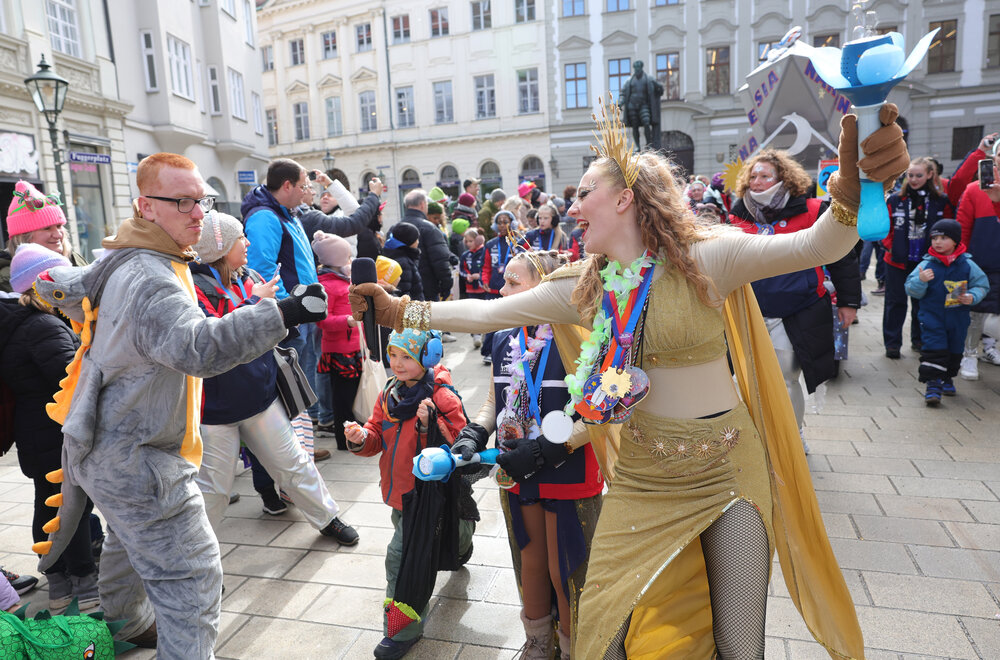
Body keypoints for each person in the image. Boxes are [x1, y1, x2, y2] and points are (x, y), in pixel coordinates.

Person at [350, 101, 909, 659]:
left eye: (584, 191)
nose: (573, 206)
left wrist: (853, 192)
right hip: (644, 478)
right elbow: (487, 313)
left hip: (727, 469)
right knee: (602, 634)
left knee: (739, 646)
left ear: (623, 199)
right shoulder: (584, 287)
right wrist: (399, 311)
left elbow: (819, 245)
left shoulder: (707, 256)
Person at [32, 152, 331, 657]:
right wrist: (282, 312)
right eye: (182, 202)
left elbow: (69, 286)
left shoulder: (128, 251)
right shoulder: (150, 276)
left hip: (107, 448)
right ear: (146, 206)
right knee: (192, 579)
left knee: (127, 543)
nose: (198, 213)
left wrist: (38, 286)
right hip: (139, 457)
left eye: (202, 200)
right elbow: (198, 348)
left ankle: (126, 623)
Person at [450, 249, 604, 660]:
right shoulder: (504, 335)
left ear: (546, 287)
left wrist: (551, 447)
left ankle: (573, 647)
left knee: (566, 565)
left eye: (513, 282)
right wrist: (473, 434)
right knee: (529, 559)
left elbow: (601, 410)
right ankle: (537, 643)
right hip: (518, 467)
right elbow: (493, 400)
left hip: (569, 466)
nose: (502, 291)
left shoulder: (582, 333)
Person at [190, 212, 358, 543]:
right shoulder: (193, 289)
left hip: (261, 396)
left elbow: (272, 327)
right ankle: (196, 557)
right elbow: (212, 338)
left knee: (295, 465)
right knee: (214, 491)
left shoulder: (249, 276)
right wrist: (259, 302)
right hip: (214, 410)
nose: (247, 242)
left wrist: (296, 307)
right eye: (240, 238)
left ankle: (328, 518)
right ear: (219, 248)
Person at [345, 328, 472, 660]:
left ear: (428, 357)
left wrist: (431, 424)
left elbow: (462, 444)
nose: (397, 363)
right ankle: (460, 542)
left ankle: (402, 631)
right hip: (400, 494)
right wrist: (360, 437)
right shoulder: (389, 393)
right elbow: (376, 434)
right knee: (432, 540)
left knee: (400, 558)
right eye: (393, 354)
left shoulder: (442, 397)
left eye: (407, 356)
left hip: (428, 496)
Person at [729, 149, 861, 445]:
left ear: (783, 178)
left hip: (798, 309)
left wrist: (849, 302)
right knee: (746, 380)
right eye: (753, 176)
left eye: (765, 176)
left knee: (786, 377)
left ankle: (793, 437)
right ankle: (756, 438)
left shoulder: (814, 209)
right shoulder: (737, 215)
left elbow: (843, 257)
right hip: (748, 309)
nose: (757, 181)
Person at [2, 242, 99, 613]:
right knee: (72, 509)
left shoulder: (19, 322)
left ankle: (58, 582)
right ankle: (83, 584)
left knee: (48, 503)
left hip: (35, 432)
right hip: (55, 432)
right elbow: (70, 378)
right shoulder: (43, 325)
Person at [241, 158, 336, 462]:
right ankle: (291, 455)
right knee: (288, 388)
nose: (306, 191)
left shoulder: (286, 213)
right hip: (289, 317)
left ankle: (301, 449)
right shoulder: (265, 217)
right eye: (303, 185)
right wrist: (289, 312)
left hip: (300, 314)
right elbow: (262, 271)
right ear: (287, 186)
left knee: (299, 384)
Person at [904, 219, 990, 405]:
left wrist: (972, 296)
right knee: (934, 349)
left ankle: (947, 378)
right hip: (932, 317)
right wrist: (920, 280)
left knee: (955, 350)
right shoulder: (926, 264)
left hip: (958, 319)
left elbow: (982, 285)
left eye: (944, 238)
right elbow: (911, 289)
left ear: (955, 241)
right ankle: (933, 385)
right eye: (934, 238)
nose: (938, 242)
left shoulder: (968, 264)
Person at [313, 230, 365, 451]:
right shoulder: (326, 285)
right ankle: (345, 440)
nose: (350, 261)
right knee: (343, 399)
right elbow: (322, 320)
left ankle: (357, 435)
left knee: (354, 395)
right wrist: (348, 321)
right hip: (339, 351)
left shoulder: (344, 280)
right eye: (347, 257)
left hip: (353, 347)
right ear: (337, 260)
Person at [957, 137, 1000, 379]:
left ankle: (990, 348)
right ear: (994, 158)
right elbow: (963, 228)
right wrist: (962, 259)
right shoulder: (974, 189)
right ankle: (970, 354)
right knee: (976, 312)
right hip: (981, 263)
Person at [0, 181, 87, 293]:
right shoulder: (9, 277)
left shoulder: (75, 259)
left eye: (59, 226)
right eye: (47, 228)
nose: (58, 234)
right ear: (24, 237)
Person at [401, 189, 454, 303]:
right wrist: (446, 286)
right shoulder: (430, 229)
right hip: (427, 290)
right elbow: (440, 261)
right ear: (422, 204)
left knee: (410, 315)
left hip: (403, 291)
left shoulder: (395, 228)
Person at [459, 228, 490, 360]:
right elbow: (461, 270)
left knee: (484, 312)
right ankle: (476, 334)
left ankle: (485, 333)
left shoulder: (485, 251)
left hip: (483, 289)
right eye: (466, 241)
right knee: (472, 312)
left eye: (471, 241)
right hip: (471, 289)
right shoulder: (465, 255)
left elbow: (487, 268)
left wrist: (480, 276)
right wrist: (467, 276)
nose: (468, 243)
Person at [381, 222, 424, 301]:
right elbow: (405, 294)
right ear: (409, 241)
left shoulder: (393, 254)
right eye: (416, 239)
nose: (418, 242)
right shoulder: (403, 263)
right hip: (411, 307)